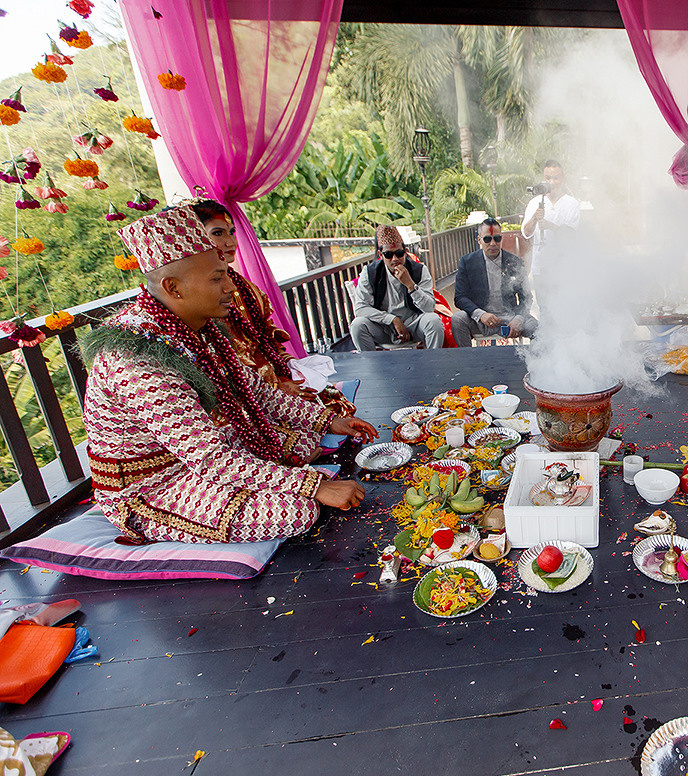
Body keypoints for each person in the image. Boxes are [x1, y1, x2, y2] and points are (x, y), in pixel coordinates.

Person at [80, 206, 378, 544]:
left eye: (225, 274)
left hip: (198, 457)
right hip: (154, 485)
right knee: (298, 509)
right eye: (216, 278)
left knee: (306, 440)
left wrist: (326, 421)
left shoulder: (197, 328)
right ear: (173, 288)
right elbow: (210, 458)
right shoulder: (137, 357)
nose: (230, 287)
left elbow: (256, 391)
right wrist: (315, 487)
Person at [190, 199, 355, 417]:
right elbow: (225, 362)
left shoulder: (243, 286)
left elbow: (266, 337)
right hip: (239, 394)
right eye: (218, 233)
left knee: (333, 405)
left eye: (231, 232)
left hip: (271, 377)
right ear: (194, 237)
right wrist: (277, 387)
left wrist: (288, 367)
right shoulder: (198, 297)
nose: (230, 242)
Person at [350, 225, 446, 351]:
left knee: (434, 321)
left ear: (405, 251)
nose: (395, 259)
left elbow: (429, 308)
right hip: (384, 327)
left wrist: (411, 285)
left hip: (413, 324)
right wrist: (392, 319)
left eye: (399, 253)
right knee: (357, 325)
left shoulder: (419, 270)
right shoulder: (370, 272)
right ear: (380, 254)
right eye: (388, 255)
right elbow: (360, 308)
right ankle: (371, 361)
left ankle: (432, 361)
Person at [450, 218, 537, 346]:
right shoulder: (468, 262)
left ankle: (530, 359)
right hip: (480, 319)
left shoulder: (514, 262)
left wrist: (518, 318)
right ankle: (468, 357)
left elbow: (527, 297)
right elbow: (460, 297)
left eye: (497, 238)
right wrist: (480, 314)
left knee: (536, 328)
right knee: (458, 319)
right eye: (487, 239)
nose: (493, 243)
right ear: (479, 240)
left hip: (510, 316)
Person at [520, 159, 581, 281]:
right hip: (540, 266)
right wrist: (535, 218)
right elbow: (526, 233)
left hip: (563, 266)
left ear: (563, 178)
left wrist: (550, 226)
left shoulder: (571, 204)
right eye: (548, 178)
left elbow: (571, 235)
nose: (551, 183)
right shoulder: (534, 203)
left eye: (555, 178)